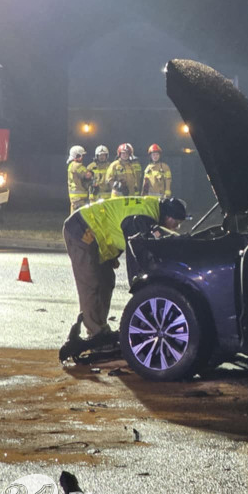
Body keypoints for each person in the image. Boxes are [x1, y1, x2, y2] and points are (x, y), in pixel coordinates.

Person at [59, 195, 188, 357]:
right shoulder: (142, 217)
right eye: (176, 223)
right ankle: (96, 335)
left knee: (106, 280)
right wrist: (141, 288)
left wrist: (112, 255)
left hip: (96, 233)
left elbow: (118, 224)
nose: (176, 228)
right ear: (168, 217)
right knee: (91, 283)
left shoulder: (150, 210)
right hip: (82, 230)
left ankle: (101, 329)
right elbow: (137, 256)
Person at [66, 145, 93, 214]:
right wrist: (92, 172)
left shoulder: (71, 165)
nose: (82, 157)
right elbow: (87, 175)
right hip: (79, 199)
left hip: (75, 199)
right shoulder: (77, 166)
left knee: (74, 219)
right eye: (81, 155)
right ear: (77, 155)